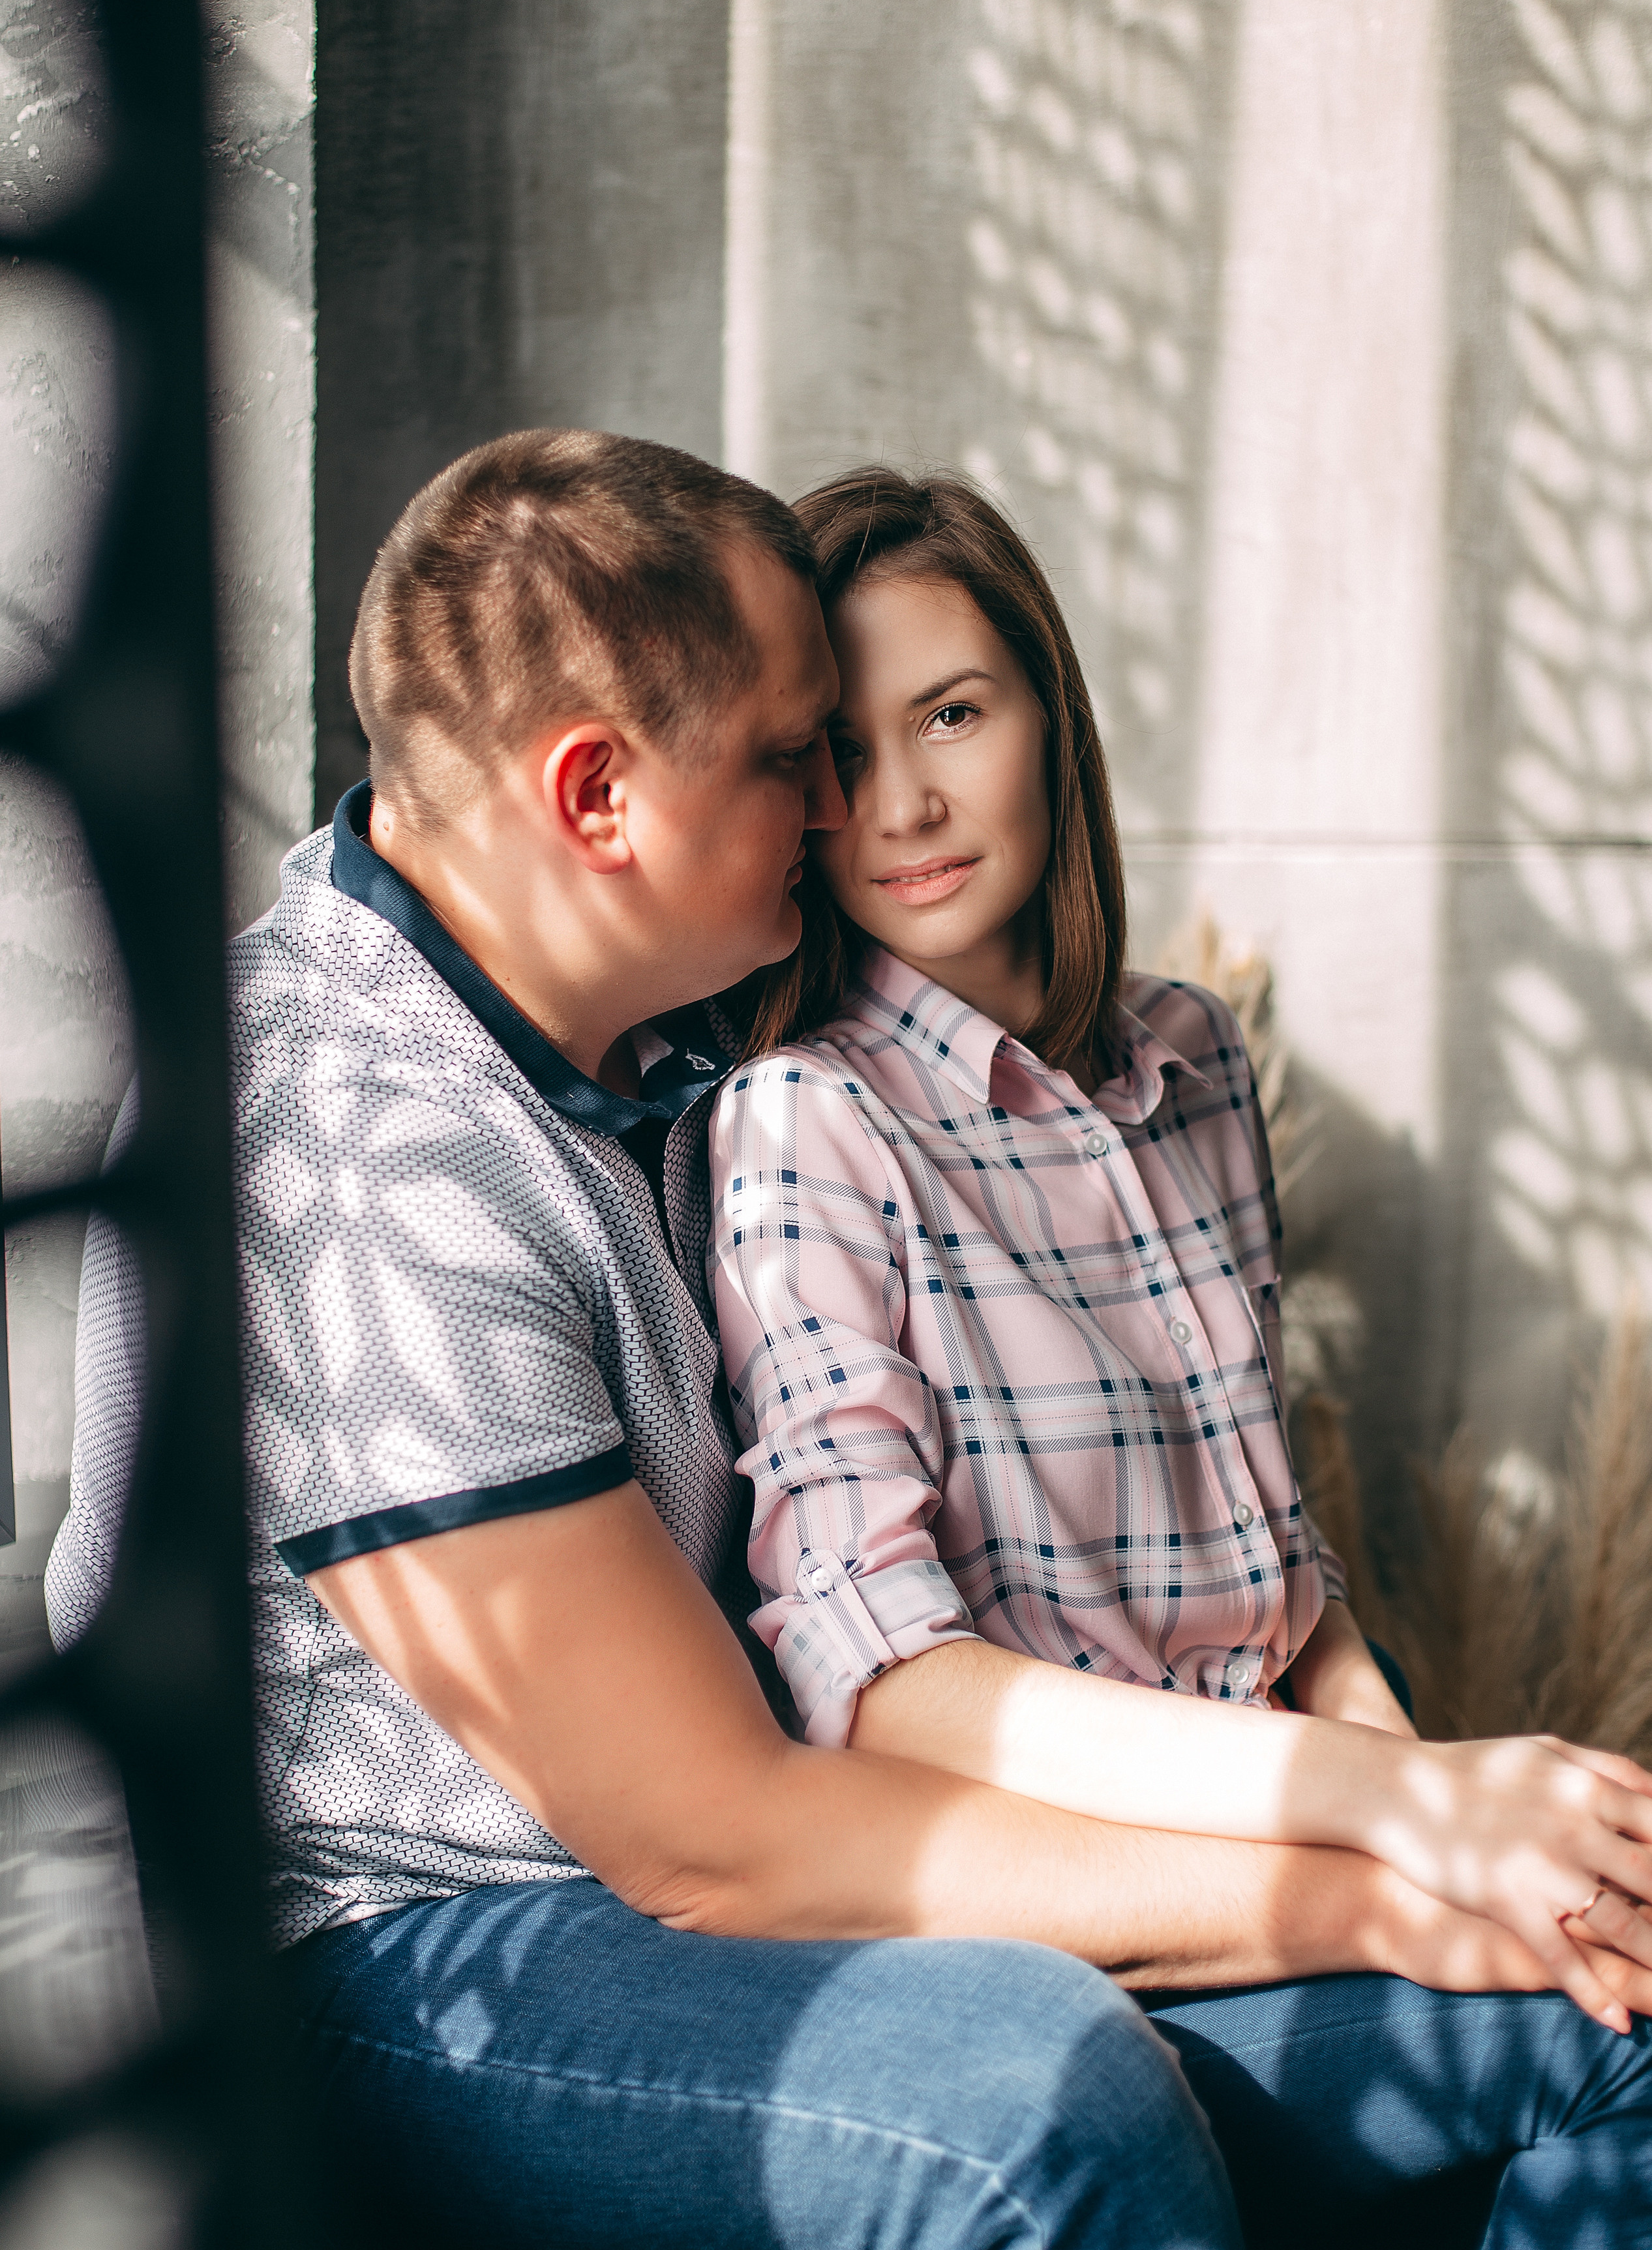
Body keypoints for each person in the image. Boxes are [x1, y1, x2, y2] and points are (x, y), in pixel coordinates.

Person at [44, 432, 1652, 2250]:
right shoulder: (355, 1147)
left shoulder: (639, 1036)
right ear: (600, 802)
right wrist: (1370, 1881)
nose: (843, 807)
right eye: (796, 753)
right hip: (398, 1958)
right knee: (1027, 2097)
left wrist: (1417, 1825)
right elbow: (713, 1840)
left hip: (672, 1889)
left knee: (1605, 2006)